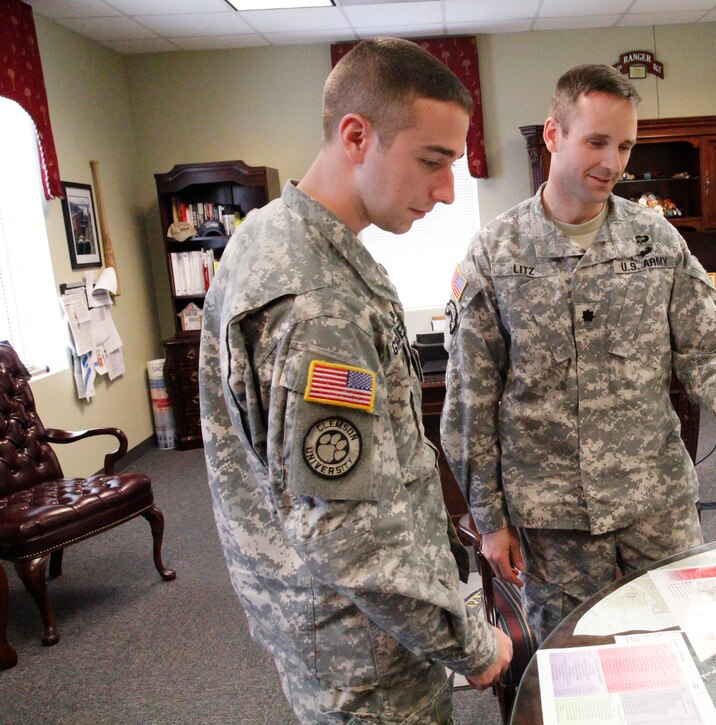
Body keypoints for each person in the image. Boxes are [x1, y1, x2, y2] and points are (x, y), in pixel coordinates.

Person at [199, 38, 511, 723]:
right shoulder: (315, 297)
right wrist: (468, 642)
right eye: (432, 161)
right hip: (366, 651)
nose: (447, 189)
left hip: (340, 630)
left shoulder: (280, 236)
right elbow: (345, 535)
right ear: (356, 136)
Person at [441, 64, 716, 642]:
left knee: (685, 640)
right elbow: (470, 404)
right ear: (554, 135)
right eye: (596, 142)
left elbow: (709, 348)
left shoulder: (656, 241)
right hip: (553, 515)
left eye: (626, 145)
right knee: (573, 657)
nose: (613, 162)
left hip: (655, 500)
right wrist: (490, 520)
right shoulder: (495, 253)